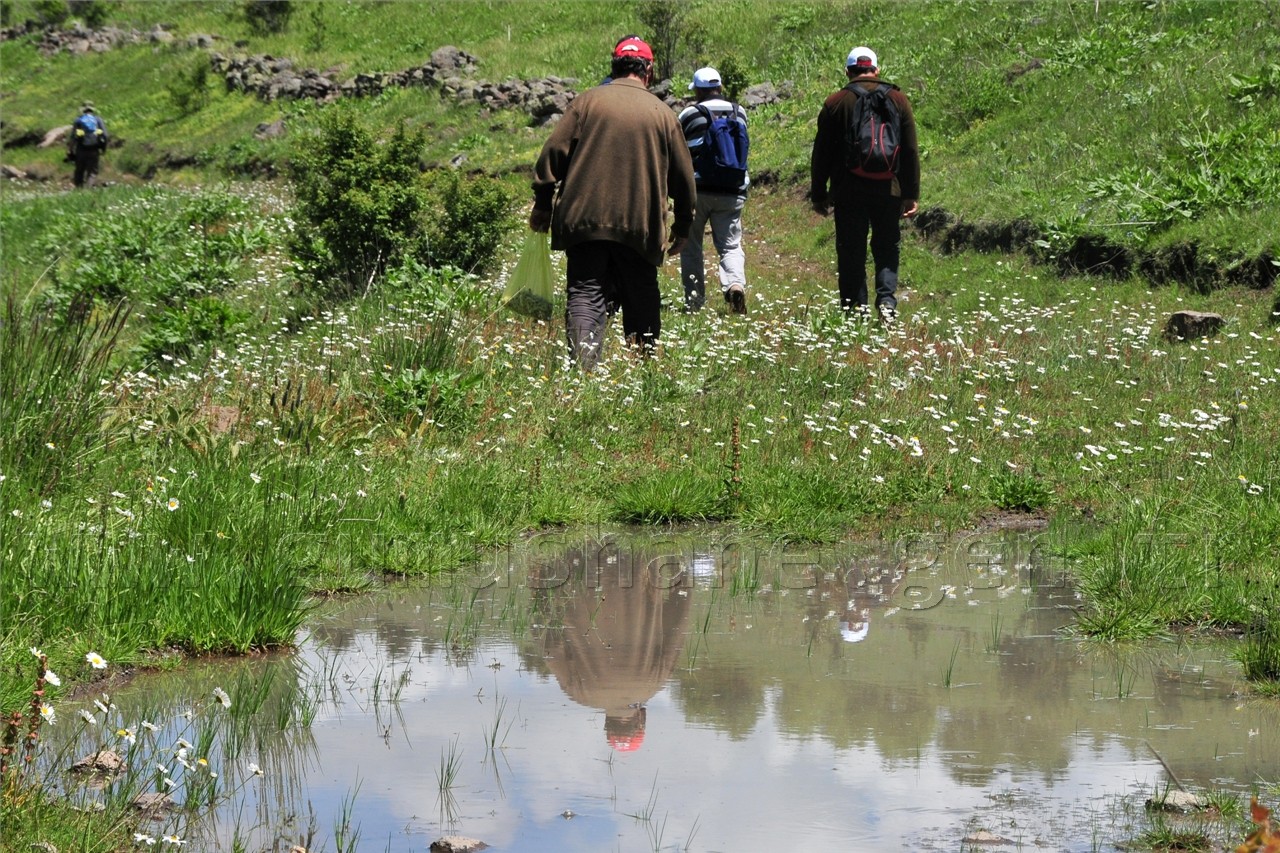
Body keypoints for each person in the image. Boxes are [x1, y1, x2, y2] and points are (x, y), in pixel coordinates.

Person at [530, 36, 696, 370]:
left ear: (614, 66)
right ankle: (643, 369)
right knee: (641, 295)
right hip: (640, 225)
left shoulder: (587, 103)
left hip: (584, 222)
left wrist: (543, 204)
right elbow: (684, 180)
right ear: (648, 71)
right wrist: (683, 228)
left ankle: (584, 370)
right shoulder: (663, 115)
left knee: (585, 294)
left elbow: (552, 154)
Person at [810, 46, 919, 322]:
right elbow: (909, 150)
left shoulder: (835, 102)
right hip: (889, 189)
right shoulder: (898, 99)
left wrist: (819, 194)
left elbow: (821, 153)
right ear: (877, 69)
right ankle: (887, 304)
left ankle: (854, 312)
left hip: (848, 191)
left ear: (847, 72)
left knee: (851, 249)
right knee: (886, 246)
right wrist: (910, 193)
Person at [677, 66, 750, 314]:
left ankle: (695, 302)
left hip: (697, 190)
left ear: (698, 90)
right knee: (730, 245)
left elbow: (678, 151)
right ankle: (735, 284)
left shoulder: (689, 114)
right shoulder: (739, 113)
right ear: (719, 87)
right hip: (732, 190)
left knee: (691, 247)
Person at [69, 101, 108, 188]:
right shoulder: (98, 120)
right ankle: (88, 190)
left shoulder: (78, 120)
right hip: (94, 150)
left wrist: (71, 150)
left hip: (81, 149)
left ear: (83, 110)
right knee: (92, 173)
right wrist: (103, 148)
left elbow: (73, 137)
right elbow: (105, 135)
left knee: (79, 171)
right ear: (92, 110)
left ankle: (78, 192)